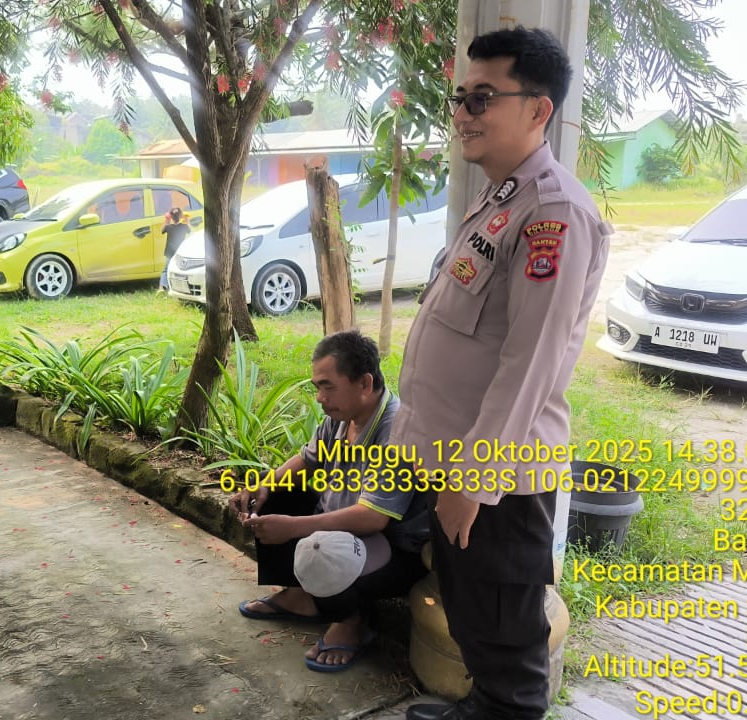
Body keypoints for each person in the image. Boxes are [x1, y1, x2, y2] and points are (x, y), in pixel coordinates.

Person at [392, 28, 612, 720]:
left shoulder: (553, 213)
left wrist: (472, 481)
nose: (463, 113)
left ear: (538, 109)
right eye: (460, 97)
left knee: (506, 646)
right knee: (472, 620)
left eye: (482, 98)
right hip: (460, 465)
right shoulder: (500, 200)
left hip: (496, 485)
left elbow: (531, 364)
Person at [229, 330, 429, 673]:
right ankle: (301, 595)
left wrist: (294, 527)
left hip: (392, 548)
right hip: (346, 528)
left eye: (328, 386)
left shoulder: (397, 432)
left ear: (364, 383)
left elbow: (373, 518)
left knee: (323, 551)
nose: (320, 398)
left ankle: (351, 622)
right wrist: (262, 487)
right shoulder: (341, 418)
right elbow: (308, 458)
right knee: (275, 494)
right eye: (317, 387)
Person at [159, 207, 189, 291]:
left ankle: (162, 287)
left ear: (171, 217)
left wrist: (166, 220)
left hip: (170, 252)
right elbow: (189, 230)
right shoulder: (184, 226)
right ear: (180, 216)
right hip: (180, 252)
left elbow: (162, 230)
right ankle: (181, 288)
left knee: (166, 270)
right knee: (181, 270)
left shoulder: (168, 227)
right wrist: (186, 219)